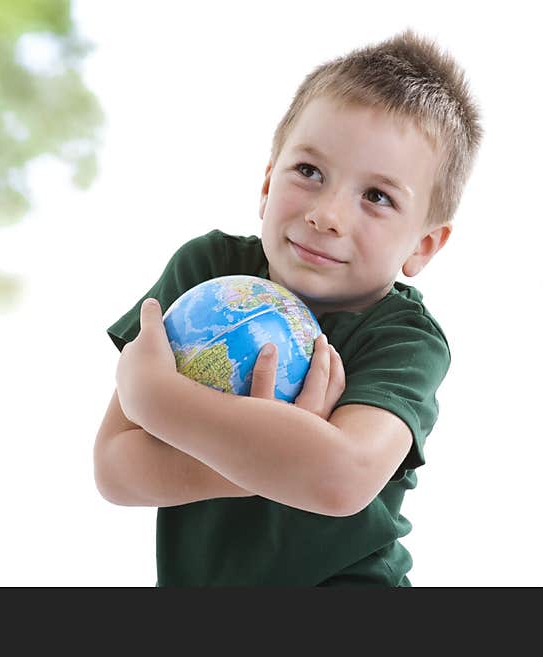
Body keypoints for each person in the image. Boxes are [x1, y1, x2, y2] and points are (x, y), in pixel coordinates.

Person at [94, 29, 482, 587]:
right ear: (268, 182)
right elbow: (116, 470)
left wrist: (158, 398)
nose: (327, 215)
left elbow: (342, 479)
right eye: (309, 172)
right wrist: (279, 452)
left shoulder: (403, 338)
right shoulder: (208, 272)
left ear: (422, 245)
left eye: (377, 197)